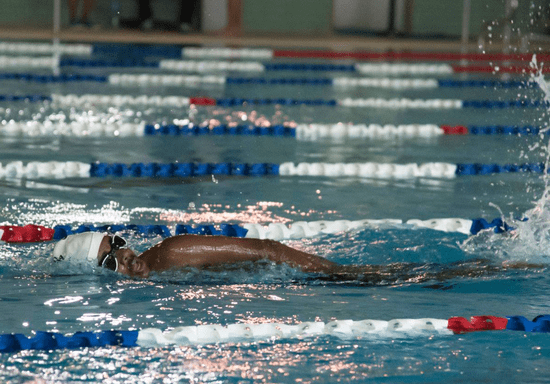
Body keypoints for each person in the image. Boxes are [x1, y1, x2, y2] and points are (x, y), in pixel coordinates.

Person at [52, 232, 544, 282]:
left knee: (424, 278)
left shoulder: (171, 252)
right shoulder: (154, 278)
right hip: (296, 281)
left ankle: (521, 264)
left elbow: (266, 250)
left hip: (313, 276)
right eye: (110, 260)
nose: (124, 256)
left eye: (117, 243)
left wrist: (334, 273)